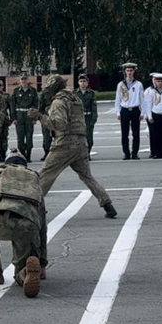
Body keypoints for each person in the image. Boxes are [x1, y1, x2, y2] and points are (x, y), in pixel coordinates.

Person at [29, 74, 117, 220]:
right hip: (81, 143)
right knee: (87, 177)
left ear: (54, 87)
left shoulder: (58, 102)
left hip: (64, 144)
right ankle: (107, 204)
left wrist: (40, 116)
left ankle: (34, 207)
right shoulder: (76, 99)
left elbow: (59, 125)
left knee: (45, 174)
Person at [0, 150, 45, 297]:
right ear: (25, 165)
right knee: (21, 263)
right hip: (27, 224)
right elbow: (42, 224)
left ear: (7, 163)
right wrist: (42, 261)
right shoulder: (34, 177)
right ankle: (25, 273)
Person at [114, 63, 144, 160]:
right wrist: (118, 112)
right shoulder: (121, 84)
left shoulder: (138, 84)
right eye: (127, 71)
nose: (129, 72)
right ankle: (126, 153)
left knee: (136, 133)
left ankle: (135, 153)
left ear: (134, 71)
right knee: (124, 133)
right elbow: (117, 99)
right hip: (125, 110)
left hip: (135, 110)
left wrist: (142, 112)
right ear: (125, 72)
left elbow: (142, 99)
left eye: (131, 70)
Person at [10, 74, 38, 162]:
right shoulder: (16, 91)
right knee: (20, 136)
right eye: (22, 79)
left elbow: (36, 105)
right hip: (19, 116)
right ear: (20, 80)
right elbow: (12, 105)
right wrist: (13, 118)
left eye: (25, 79)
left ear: (28, 80)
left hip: (29, 115)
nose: (23, 81)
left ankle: (28, 155)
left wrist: (34, 118)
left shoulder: (33, 91)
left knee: (29, 136)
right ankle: (22, 155)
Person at [76, 76, 98, 161]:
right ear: (78, 82)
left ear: (87, 83)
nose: (83, 83)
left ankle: (87, 153)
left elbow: (94, 107)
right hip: (78, 118)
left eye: (84, 81)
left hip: (88, 117)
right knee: (78, 137)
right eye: (81, 81)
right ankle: (80, 155)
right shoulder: (75, 93)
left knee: (89, 137)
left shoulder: (91, 93)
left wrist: (94, 118)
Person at [0, 79, 12, 162]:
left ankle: (3, 153)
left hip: (4, 119)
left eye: (0, 86)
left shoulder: (6, 96)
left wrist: (12, 118)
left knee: (4, 137)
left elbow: (11, 108)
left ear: (2, 86)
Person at [37, 86, 53, 161]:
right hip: (46, 116)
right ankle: (47, 152)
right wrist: (41, 117)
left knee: (59, 137)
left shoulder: (60, 92)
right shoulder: (44, 93)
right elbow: (40, 106)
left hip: (57, 116)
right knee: (46, 136)